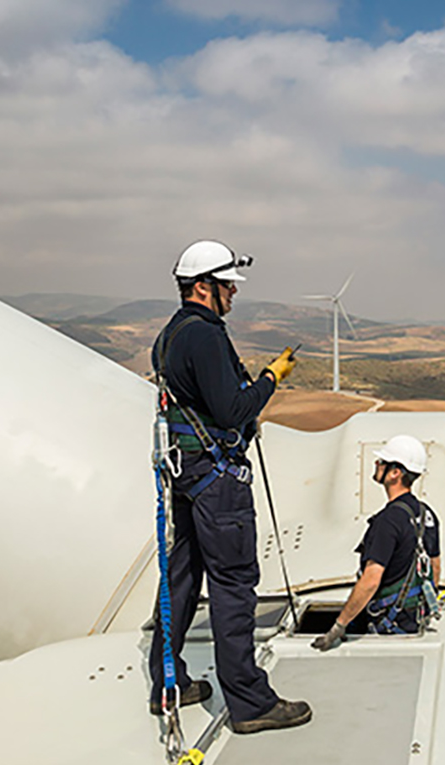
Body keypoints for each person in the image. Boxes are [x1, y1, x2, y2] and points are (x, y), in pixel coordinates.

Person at [150, 239, 311, 735]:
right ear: (203, 286)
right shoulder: (204, 336)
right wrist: (270, 378)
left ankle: (166, 684)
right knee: (233, 585)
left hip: (186, 476)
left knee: (180, 579)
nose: (233, 295)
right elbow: (232, 410)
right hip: (218, 483)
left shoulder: (172, 335)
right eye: (227, 286)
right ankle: (249, 701)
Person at [313, 435, 440, 650]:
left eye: (382, 462)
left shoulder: (387, 521)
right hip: (412, 621)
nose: (376, 464)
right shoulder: (427, 514)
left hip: (386, 625)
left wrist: (338, 626)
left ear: (395, 473)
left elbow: (371, 580)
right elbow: (435, 568)